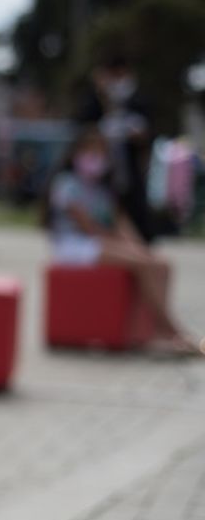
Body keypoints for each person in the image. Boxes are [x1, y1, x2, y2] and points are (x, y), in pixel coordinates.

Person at [47, 127, 198, 355]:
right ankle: (170, 330)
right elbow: (89, 228)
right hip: (74, 246)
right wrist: (129, 249)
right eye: (90, 151)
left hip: (100, 243)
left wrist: (137, 247)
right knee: (143, 264)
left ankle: (149, 332)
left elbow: (120, 223)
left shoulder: (103, 189)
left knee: (160, 264)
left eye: (100, 152)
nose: (95, 158)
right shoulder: (66, 184)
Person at [76, 55, 155, 243]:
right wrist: (102, 97)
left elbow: (147, 132)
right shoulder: (95, 100)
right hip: (103, 168)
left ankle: (139, 243)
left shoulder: (137, 99)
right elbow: (82, 126)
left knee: (134, 207)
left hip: (130, 166)